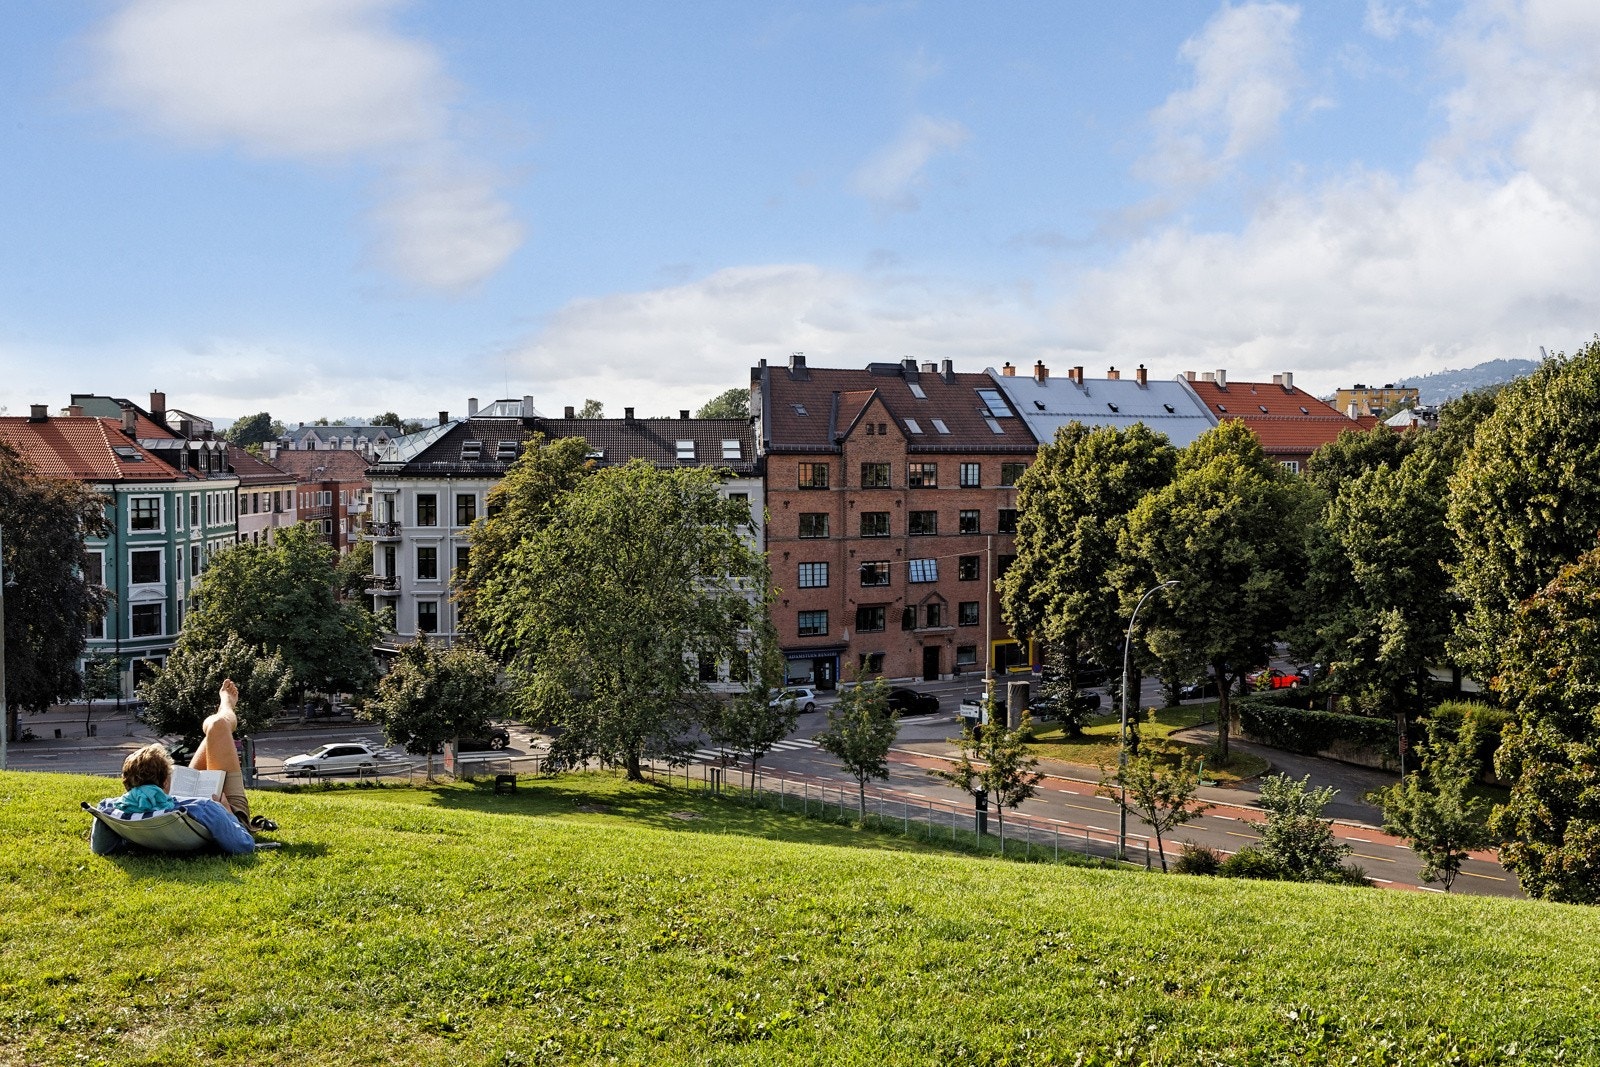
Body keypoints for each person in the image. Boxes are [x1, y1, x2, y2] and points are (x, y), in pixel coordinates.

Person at [89, 681, 259, 855]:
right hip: (208, 812)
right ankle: (226, 707)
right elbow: (244, 845)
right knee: (218, 726)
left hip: (173, 814)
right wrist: (228, 812)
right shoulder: (205, 807)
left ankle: (219, 717)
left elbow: (101, 848)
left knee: (214, 731)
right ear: (165, 783)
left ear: (127, 784)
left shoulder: (109, 809)